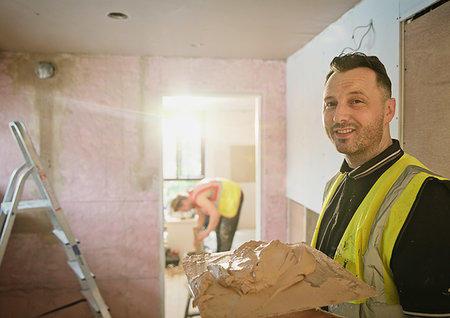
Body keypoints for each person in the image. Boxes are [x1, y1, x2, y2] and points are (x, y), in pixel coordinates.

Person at [310, 53, 450, 317]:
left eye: (356, 101)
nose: (339, 116)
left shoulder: (429, 198)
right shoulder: (334, 185)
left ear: (389, 110)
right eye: (330, 104)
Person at [170, 177, 243, 252]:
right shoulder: (194, 197)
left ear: (183, 202)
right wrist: (196, 238)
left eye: (184, 209)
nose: (187, 210)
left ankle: (224, 258)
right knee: (218, 231)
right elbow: (201, 218)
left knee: (224, 232)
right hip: (226, 194)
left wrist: (206, 232)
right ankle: (220, 254)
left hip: (232, 193)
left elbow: (214, 213)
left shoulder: (198, 198)